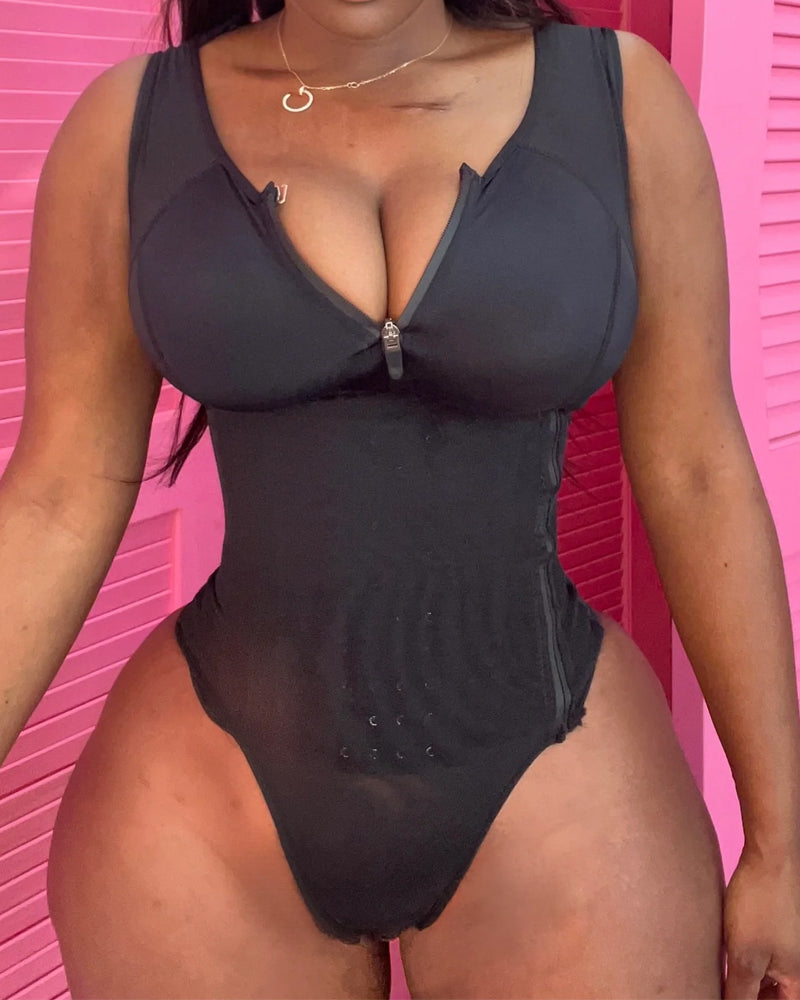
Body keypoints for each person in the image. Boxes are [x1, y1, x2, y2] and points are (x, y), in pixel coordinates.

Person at [1, 0, 799, 996]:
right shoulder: (129, 126)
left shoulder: (621, 99)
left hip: (560, 782)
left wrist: (783, 840)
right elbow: (56, 494)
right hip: (199, 802)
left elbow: (696, 466)